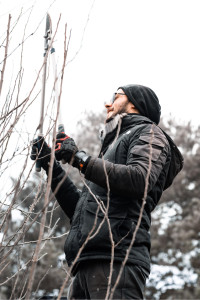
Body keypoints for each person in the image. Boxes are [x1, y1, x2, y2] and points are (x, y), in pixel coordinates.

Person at [31, 84, 183, 299]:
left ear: (135, 103)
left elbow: (139, 178)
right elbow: (79, 213)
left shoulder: (149, 133)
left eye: (116, 96)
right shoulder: (109, 151)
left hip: (118, 259)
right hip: (86, 263)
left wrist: (79, 159)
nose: (108, 103)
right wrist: (51, 165)